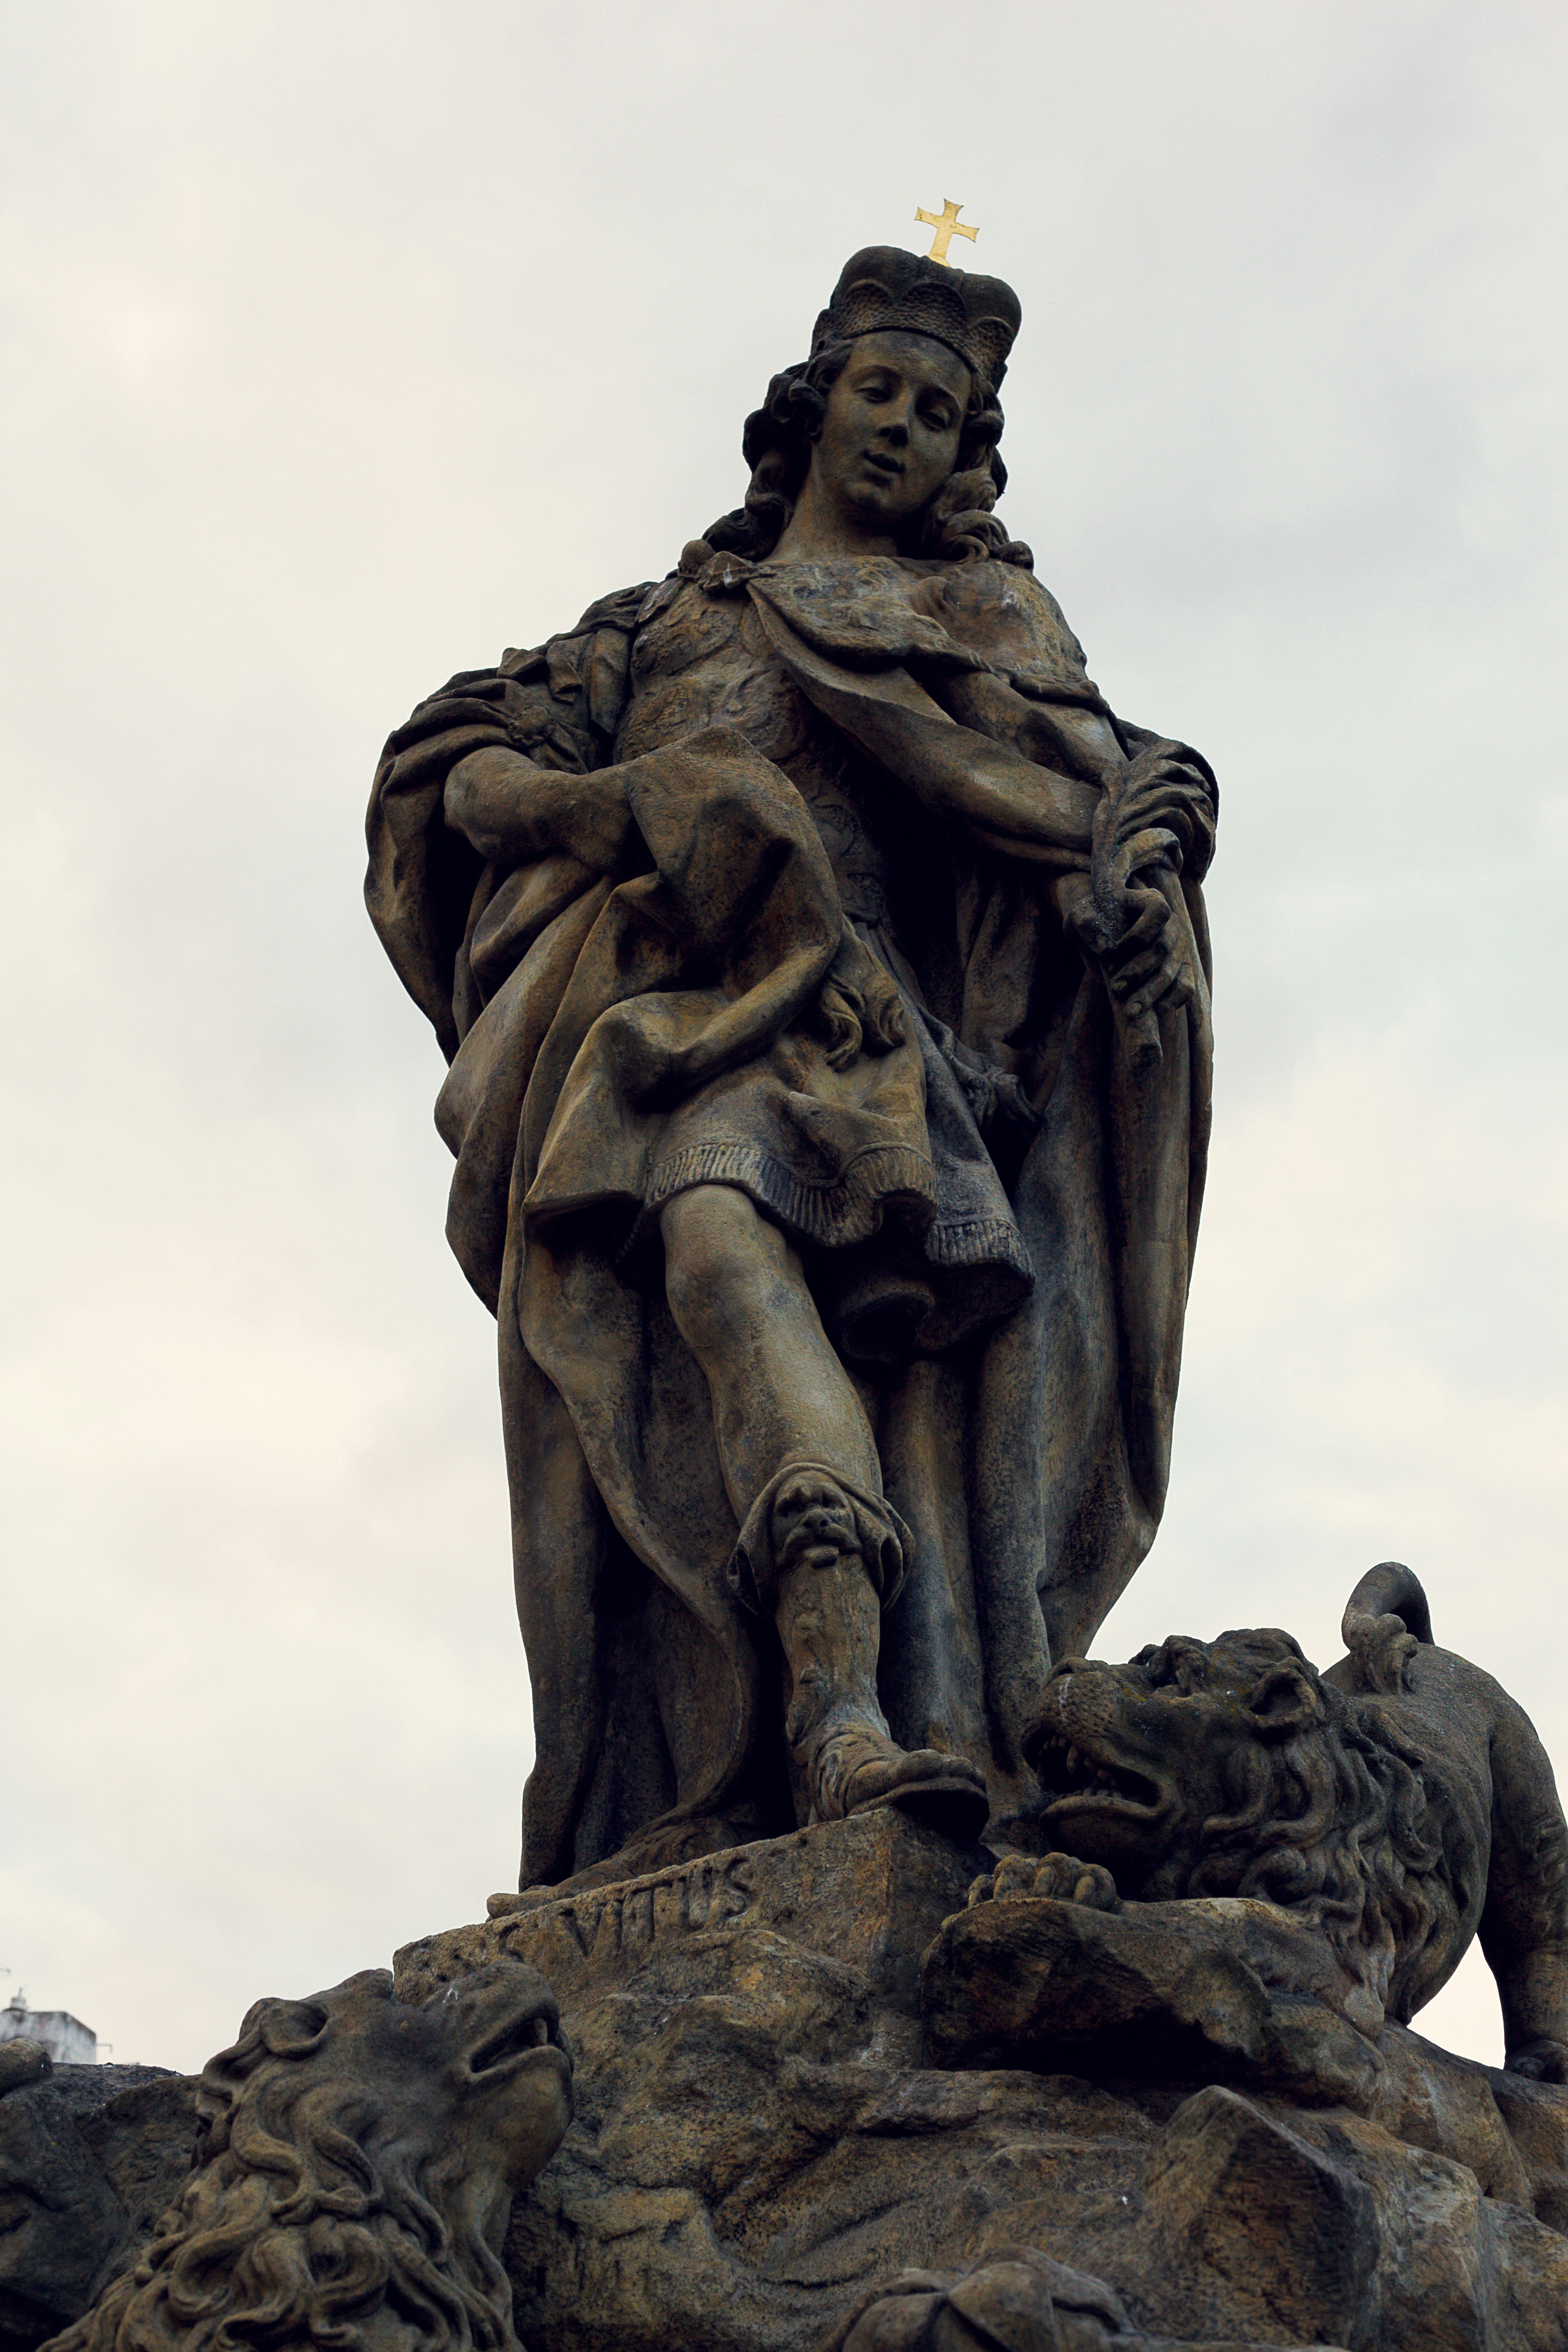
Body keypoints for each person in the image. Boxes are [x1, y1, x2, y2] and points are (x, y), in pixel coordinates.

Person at [367, 247, 1217, 1891]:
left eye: (939, 415)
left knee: (771, 1283)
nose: (901, 430)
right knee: (702, 1255)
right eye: (880, 392)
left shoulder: (982, 616)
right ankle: (814, 1723)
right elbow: (458, 773)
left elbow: (1093, 802)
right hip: (662, 1014)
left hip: (866, 1040)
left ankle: (855, 1713)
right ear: (818, 401)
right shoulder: (665, 621)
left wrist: (1129, 884)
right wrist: (611, 806)